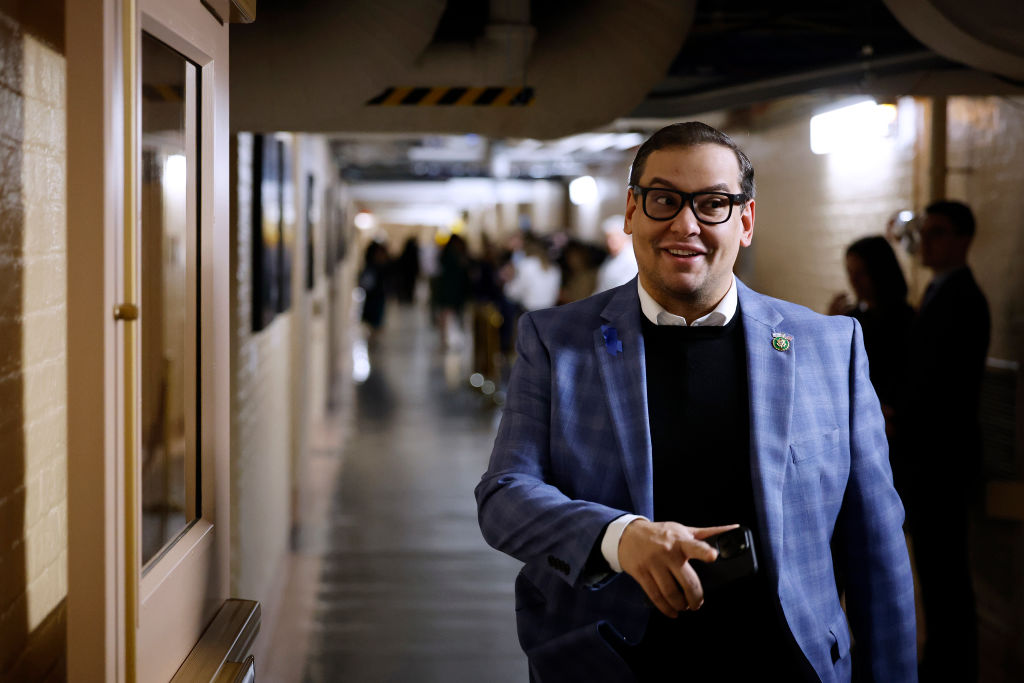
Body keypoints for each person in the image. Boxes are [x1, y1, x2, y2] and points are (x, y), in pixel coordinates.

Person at [475, 122, 916, 682]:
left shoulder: (830, 348)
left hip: (786, 666)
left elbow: (876, 549)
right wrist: (618, 538)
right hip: (617, 663)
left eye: (713, 204)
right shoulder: (555, 341)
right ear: (633, 211)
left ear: (746, 221)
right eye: (664, 200)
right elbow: (504, 496)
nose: (686, 224)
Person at [901, 201, 990, 682]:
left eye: (937, 233)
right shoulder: (940, 291)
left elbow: (943, 386)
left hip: (943, 460)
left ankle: (953, 669)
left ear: (962, 239)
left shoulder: (962, 297)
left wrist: (901, 414)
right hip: (933, 458)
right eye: (925, 231)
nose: (926, 242)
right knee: (937, 575)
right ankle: (944, 662)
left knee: (947, 577)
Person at [828, 236, 914, 444]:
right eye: (850, 273)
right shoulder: (855, 316)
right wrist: (831, 325)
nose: (854, 281)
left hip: (890, 423)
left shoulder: (903, 318)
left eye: (861, 273)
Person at [594, 213, 638, 293]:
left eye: (614, 237)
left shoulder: (632, 258)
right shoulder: (612, 257)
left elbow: (624, 290)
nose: (610, 242)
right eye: (608, 238)